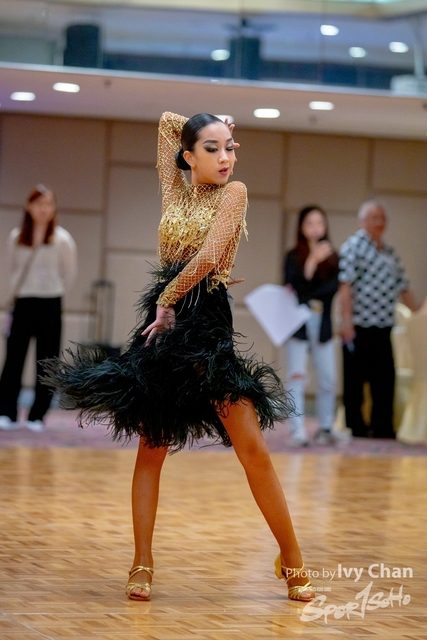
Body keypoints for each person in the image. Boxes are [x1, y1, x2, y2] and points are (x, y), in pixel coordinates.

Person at [42, 112, 315, 603]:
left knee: (253, 450)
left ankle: (292, 558)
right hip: (163, 333)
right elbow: (169, 123)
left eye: (230, 147)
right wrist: (207, 123)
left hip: (206, 328)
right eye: (212, 148)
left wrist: (167, 299)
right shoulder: (174, 191)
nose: (226, 157)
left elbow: (208, 257)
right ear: (187, 157)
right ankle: (141, 561)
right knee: (152, 449)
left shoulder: (234, 193)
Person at [0, 185, 77, 432]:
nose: (44, 209)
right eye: (39, 203)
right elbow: (9, 270)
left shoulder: (62, 239)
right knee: (14, 358)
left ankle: (37, 416)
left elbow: (70, 273)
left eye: (48, 204)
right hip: (23, 302)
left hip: (50, 303)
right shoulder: (17, 237)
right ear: (29, 207)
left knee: (47, 359)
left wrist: (55, 292)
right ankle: (7, 412)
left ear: (54, 208)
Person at [339, 199, 418, 439]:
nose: (379, 222)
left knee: (384, 379)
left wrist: (419, 314)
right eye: (374, 218)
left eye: (382, 218)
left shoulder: (389, 252)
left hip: (384, 325)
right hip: (359, 324)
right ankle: (356, 427)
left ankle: (382, 426)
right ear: (362, 221)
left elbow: (404, 287)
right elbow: (345, 285)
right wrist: (346, 321)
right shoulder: (353, 246)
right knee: (355, 379)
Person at [283, 205, 339, 446]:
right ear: (301, 227)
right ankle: (297, 430)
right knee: (297, 375)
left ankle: (325, 427)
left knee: (328, 377)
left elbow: (331, 289)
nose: (315, 228)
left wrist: (308, 287)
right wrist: (311, 263)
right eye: (310, 223)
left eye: (320, 223)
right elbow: (293, 287)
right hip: (298, 322)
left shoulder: (334, 257)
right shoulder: (293, 256)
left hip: (322, 320)